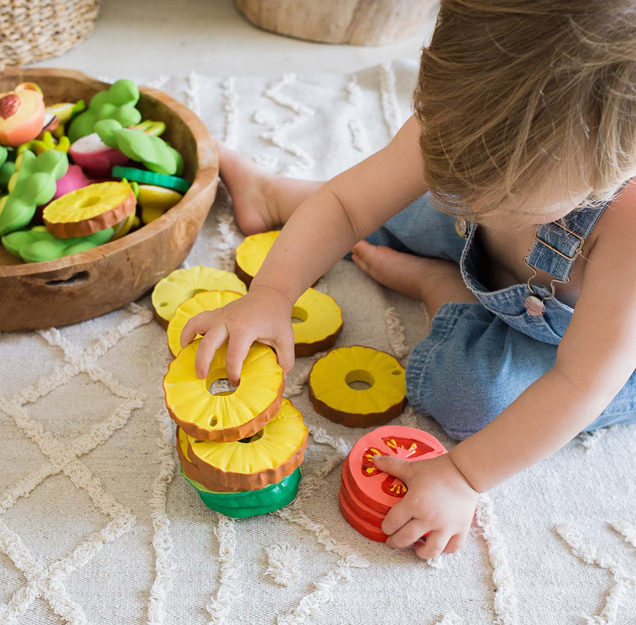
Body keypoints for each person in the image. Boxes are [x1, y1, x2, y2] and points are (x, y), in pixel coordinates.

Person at [181, 0, 636, 560]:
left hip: (590, 350)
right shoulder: (465, 109)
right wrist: (271, 294)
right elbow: (349, 204)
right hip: (489, 250)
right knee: (403, 204)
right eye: (452, 168)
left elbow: (580, 384)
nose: (463, 192)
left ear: (612, 168)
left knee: (474, 398)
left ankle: (438, 289)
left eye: (499, 196)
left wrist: (463, 478)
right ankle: (274, 193)